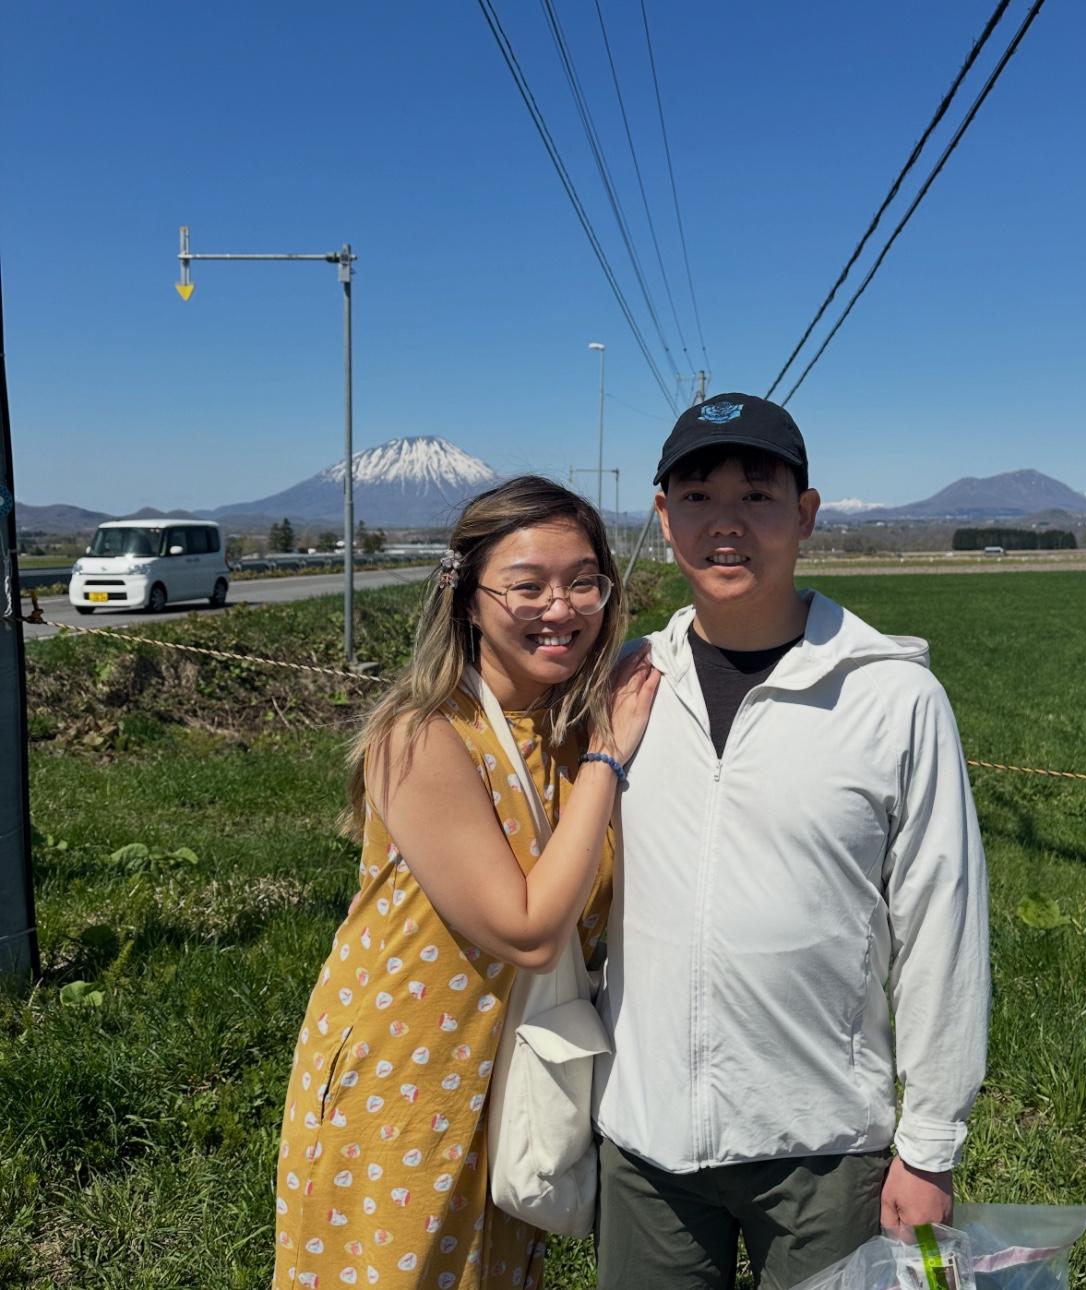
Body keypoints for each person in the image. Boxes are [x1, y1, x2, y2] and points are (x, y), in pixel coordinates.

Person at [592, 395, 991, 1290]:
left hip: (823, 1146)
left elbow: (943, 925)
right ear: (663, 517)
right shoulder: (625, 683)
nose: (725, 525)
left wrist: (928, 1147)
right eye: (696, 497)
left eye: (758, 496)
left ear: (805, 515)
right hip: (645, 1139)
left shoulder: (892, 698)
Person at [273, 475, 659, 1290]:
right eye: (528, 585)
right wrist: (607, 760)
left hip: (516, 1079)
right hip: (408, 1079)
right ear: (467, 596)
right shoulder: (422, 735)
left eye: (584, 581)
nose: (562, 608)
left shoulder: (565, 727)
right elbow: (526, 928)